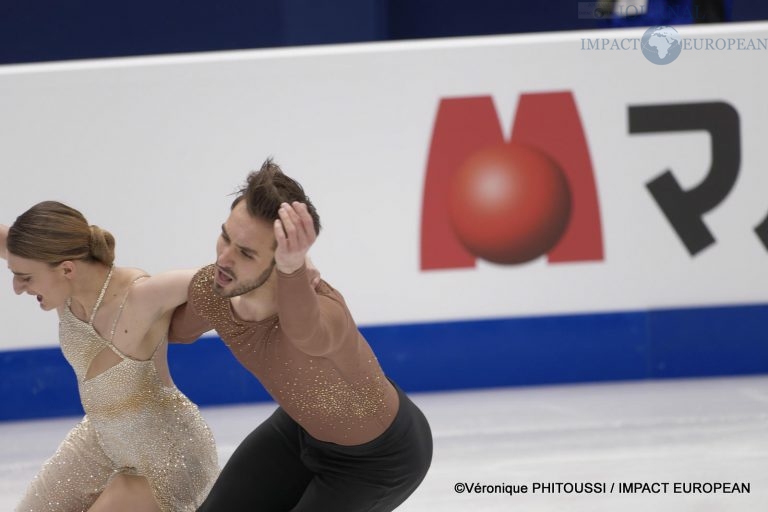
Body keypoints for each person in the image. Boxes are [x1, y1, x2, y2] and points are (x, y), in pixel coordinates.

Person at [169, 159, 433, 511]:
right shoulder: (215, 290)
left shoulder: (326, 309)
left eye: (245, 252)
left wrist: (294, 269)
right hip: (297, 433)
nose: (224, 258)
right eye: (225, 236)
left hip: (378, 461)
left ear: (283, 260)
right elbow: (173, 332)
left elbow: (305, 335)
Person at [1, 201, 219, 512]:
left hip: (169, 455)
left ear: (67, 269)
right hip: (102, 442)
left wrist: (292, 272)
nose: (17, 287)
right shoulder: (58, 279)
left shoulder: (141, 296)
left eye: (25, 278)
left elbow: (229, 279)